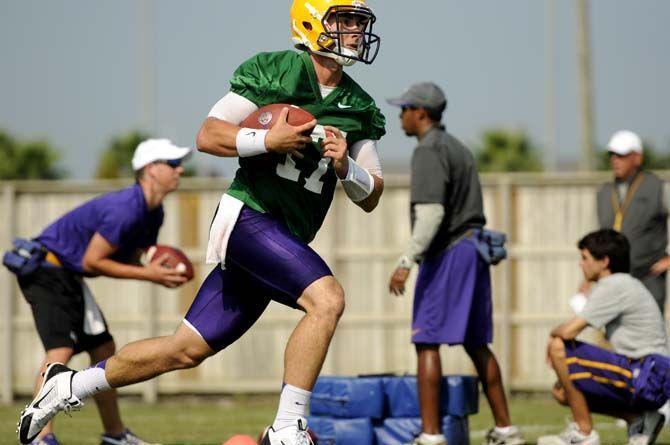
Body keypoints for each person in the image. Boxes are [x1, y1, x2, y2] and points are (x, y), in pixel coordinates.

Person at [17, 1, 386, 445]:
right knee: (326, 299)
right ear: (311, 21)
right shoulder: (277, 71)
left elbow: (373, 194)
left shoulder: (359, 106)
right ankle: (288, 426)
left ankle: (69, 386)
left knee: (183, 350)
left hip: (282, 238)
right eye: (343, 20)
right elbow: (209, 135)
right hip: (249, 217)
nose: (353, 31)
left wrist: (348, 168)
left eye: (358, 23)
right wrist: (268, 139)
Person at [7, 138, 192, 445]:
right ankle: (40, 437)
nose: (180, 170)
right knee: (60, 351)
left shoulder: (153, 213)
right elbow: (93, 261)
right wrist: (150, 275)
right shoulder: (126, 208)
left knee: (104, 349)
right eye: (172, 164)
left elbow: (131, 257)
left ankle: (115, 435)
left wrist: (158, 266)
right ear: (150, 170)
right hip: (46, 270)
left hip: (68, 274)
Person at [386, 82, 524, 445]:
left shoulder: (429, 150)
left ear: (422, 113)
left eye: (405, 108)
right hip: (472, 250)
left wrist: (406, 260)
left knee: (426, 341)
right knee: (476, 343)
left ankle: (431, 435)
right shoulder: (458, 147)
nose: (400, 114)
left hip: (448, 252)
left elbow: (431, 215)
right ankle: (506, 430)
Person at [538, 229, 670, 445]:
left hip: (649, 374)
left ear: (604, 262)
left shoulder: (614, 285)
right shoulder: (622, 284)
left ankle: (584, 433)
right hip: (650, 374)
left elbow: (568, 332)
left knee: (558, 347)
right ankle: (638, 419)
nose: (581, 264)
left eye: (585, 258)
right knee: (562, 392)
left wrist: (553, 337)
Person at [596, 130, 669, 313]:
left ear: (637, 158)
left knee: (647, 336)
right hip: (613, 280)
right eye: (612, 155)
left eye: (621, 155)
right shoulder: (604, 191)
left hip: (647, 278)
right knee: (615, 337)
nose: (615, 160)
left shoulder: (657, 187)